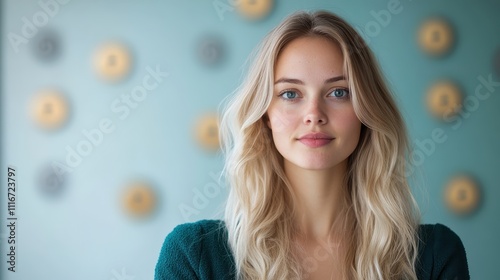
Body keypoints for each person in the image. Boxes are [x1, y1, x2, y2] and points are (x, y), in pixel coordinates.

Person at [155, 10, 469, 280]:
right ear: (265, 114)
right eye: (290, 94)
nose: (314, 115)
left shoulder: (434, 256)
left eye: (339, 93)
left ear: (366, 111)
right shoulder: (195, 255)